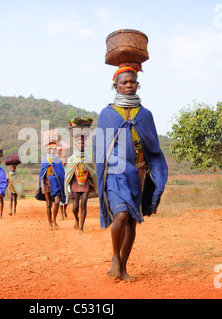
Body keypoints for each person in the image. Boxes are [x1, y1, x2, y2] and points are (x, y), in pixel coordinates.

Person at [93, 65, 168, 281]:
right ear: (115, 85)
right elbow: (100, 148)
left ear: (138, 84)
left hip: (139, 173)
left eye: (132, 82)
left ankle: (123, 268)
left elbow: (152, 145)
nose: (128, 85)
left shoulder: (145, 115)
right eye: (124, 82)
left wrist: (156, 172)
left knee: (132, 222)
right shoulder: (107, 114)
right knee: (121, 215)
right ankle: (115, 257)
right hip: (116, 174)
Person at [64, 134, 98, 234]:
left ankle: (81, 228)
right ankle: (76, 220)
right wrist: (69, 189)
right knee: (75, 207)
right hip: (75, 184)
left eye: (83, 143)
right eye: (79, 143)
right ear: (76, 145)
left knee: (83, 204)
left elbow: (93, 171)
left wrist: (89, 174)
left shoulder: (88, 158)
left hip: (85, 184)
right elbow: (68, 174)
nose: (81, 145)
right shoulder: (71, 159)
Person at [35, 142, 66, 230]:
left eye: (54, 149)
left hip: (56, 185)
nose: (53, 151)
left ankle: (54, 220)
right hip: (47, 185)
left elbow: (61, 174)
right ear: (48, 150)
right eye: (51, 149)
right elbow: (42, 175)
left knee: (56, 202)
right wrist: (42, 187)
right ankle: (50, 223)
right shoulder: (45, 161)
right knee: (48, 204)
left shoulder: (58, 161)